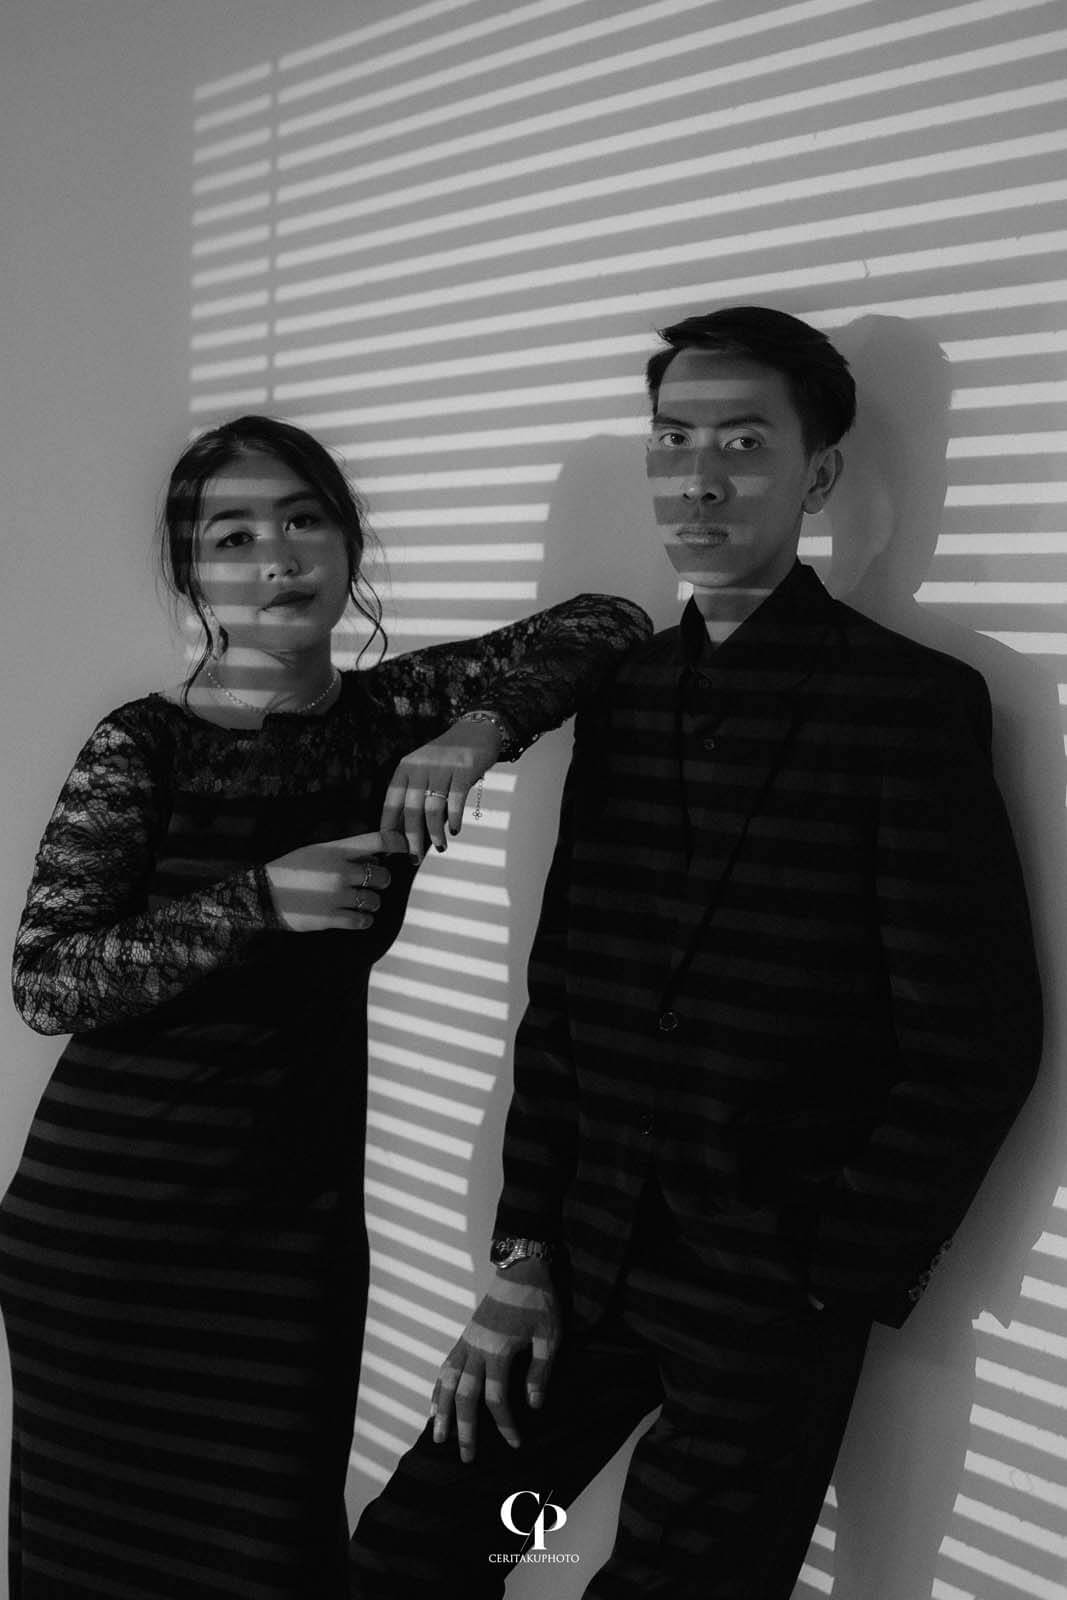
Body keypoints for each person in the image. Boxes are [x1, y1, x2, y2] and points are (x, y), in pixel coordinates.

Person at [350, 307, 1044, 1599]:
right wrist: (522, 1251)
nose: (698, 478)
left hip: (765, 1291)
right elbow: (565, 987)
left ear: (816, 477)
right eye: (672, 440)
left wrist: (824, 1275)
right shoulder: (620, 696)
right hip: (582, 1256)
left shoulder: (906, 704)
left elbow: (977, 1032)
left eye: (741, 442)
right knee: (417, 1551)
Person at [0, 414, 650, 1600]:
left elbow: (605, 623)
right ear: (193, 573)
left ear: (349, 543)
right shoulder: (143, 746)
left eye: (303, 520)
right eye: (233, 536)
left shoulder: (389, 719)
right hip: (108, 1230)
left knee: (274, 1551)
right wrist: (259, 900)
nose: (277, 557)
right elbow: (47, 978)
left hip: (288, 1228)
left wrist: (479, 727)